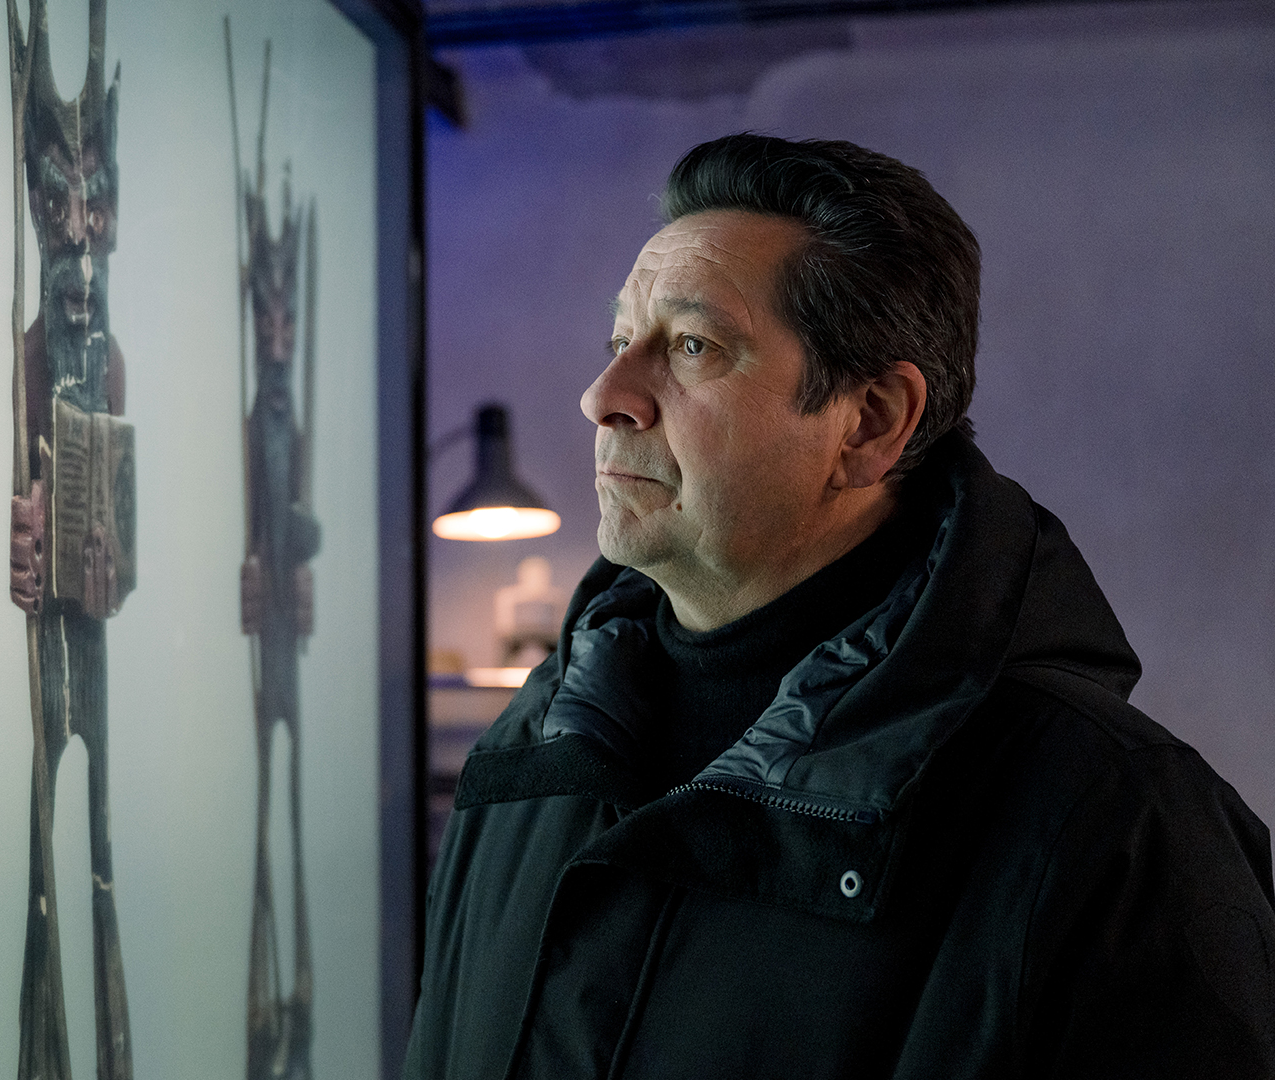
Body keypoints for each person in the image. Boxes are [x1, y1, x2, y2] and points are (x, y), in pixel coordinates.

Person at [406, 134, 1275, 1079]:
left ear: (870, 422)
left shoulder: (1120, 826)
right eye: (621, 342)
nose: (604, 396)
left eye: (693, 347)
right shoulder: (530, 753)